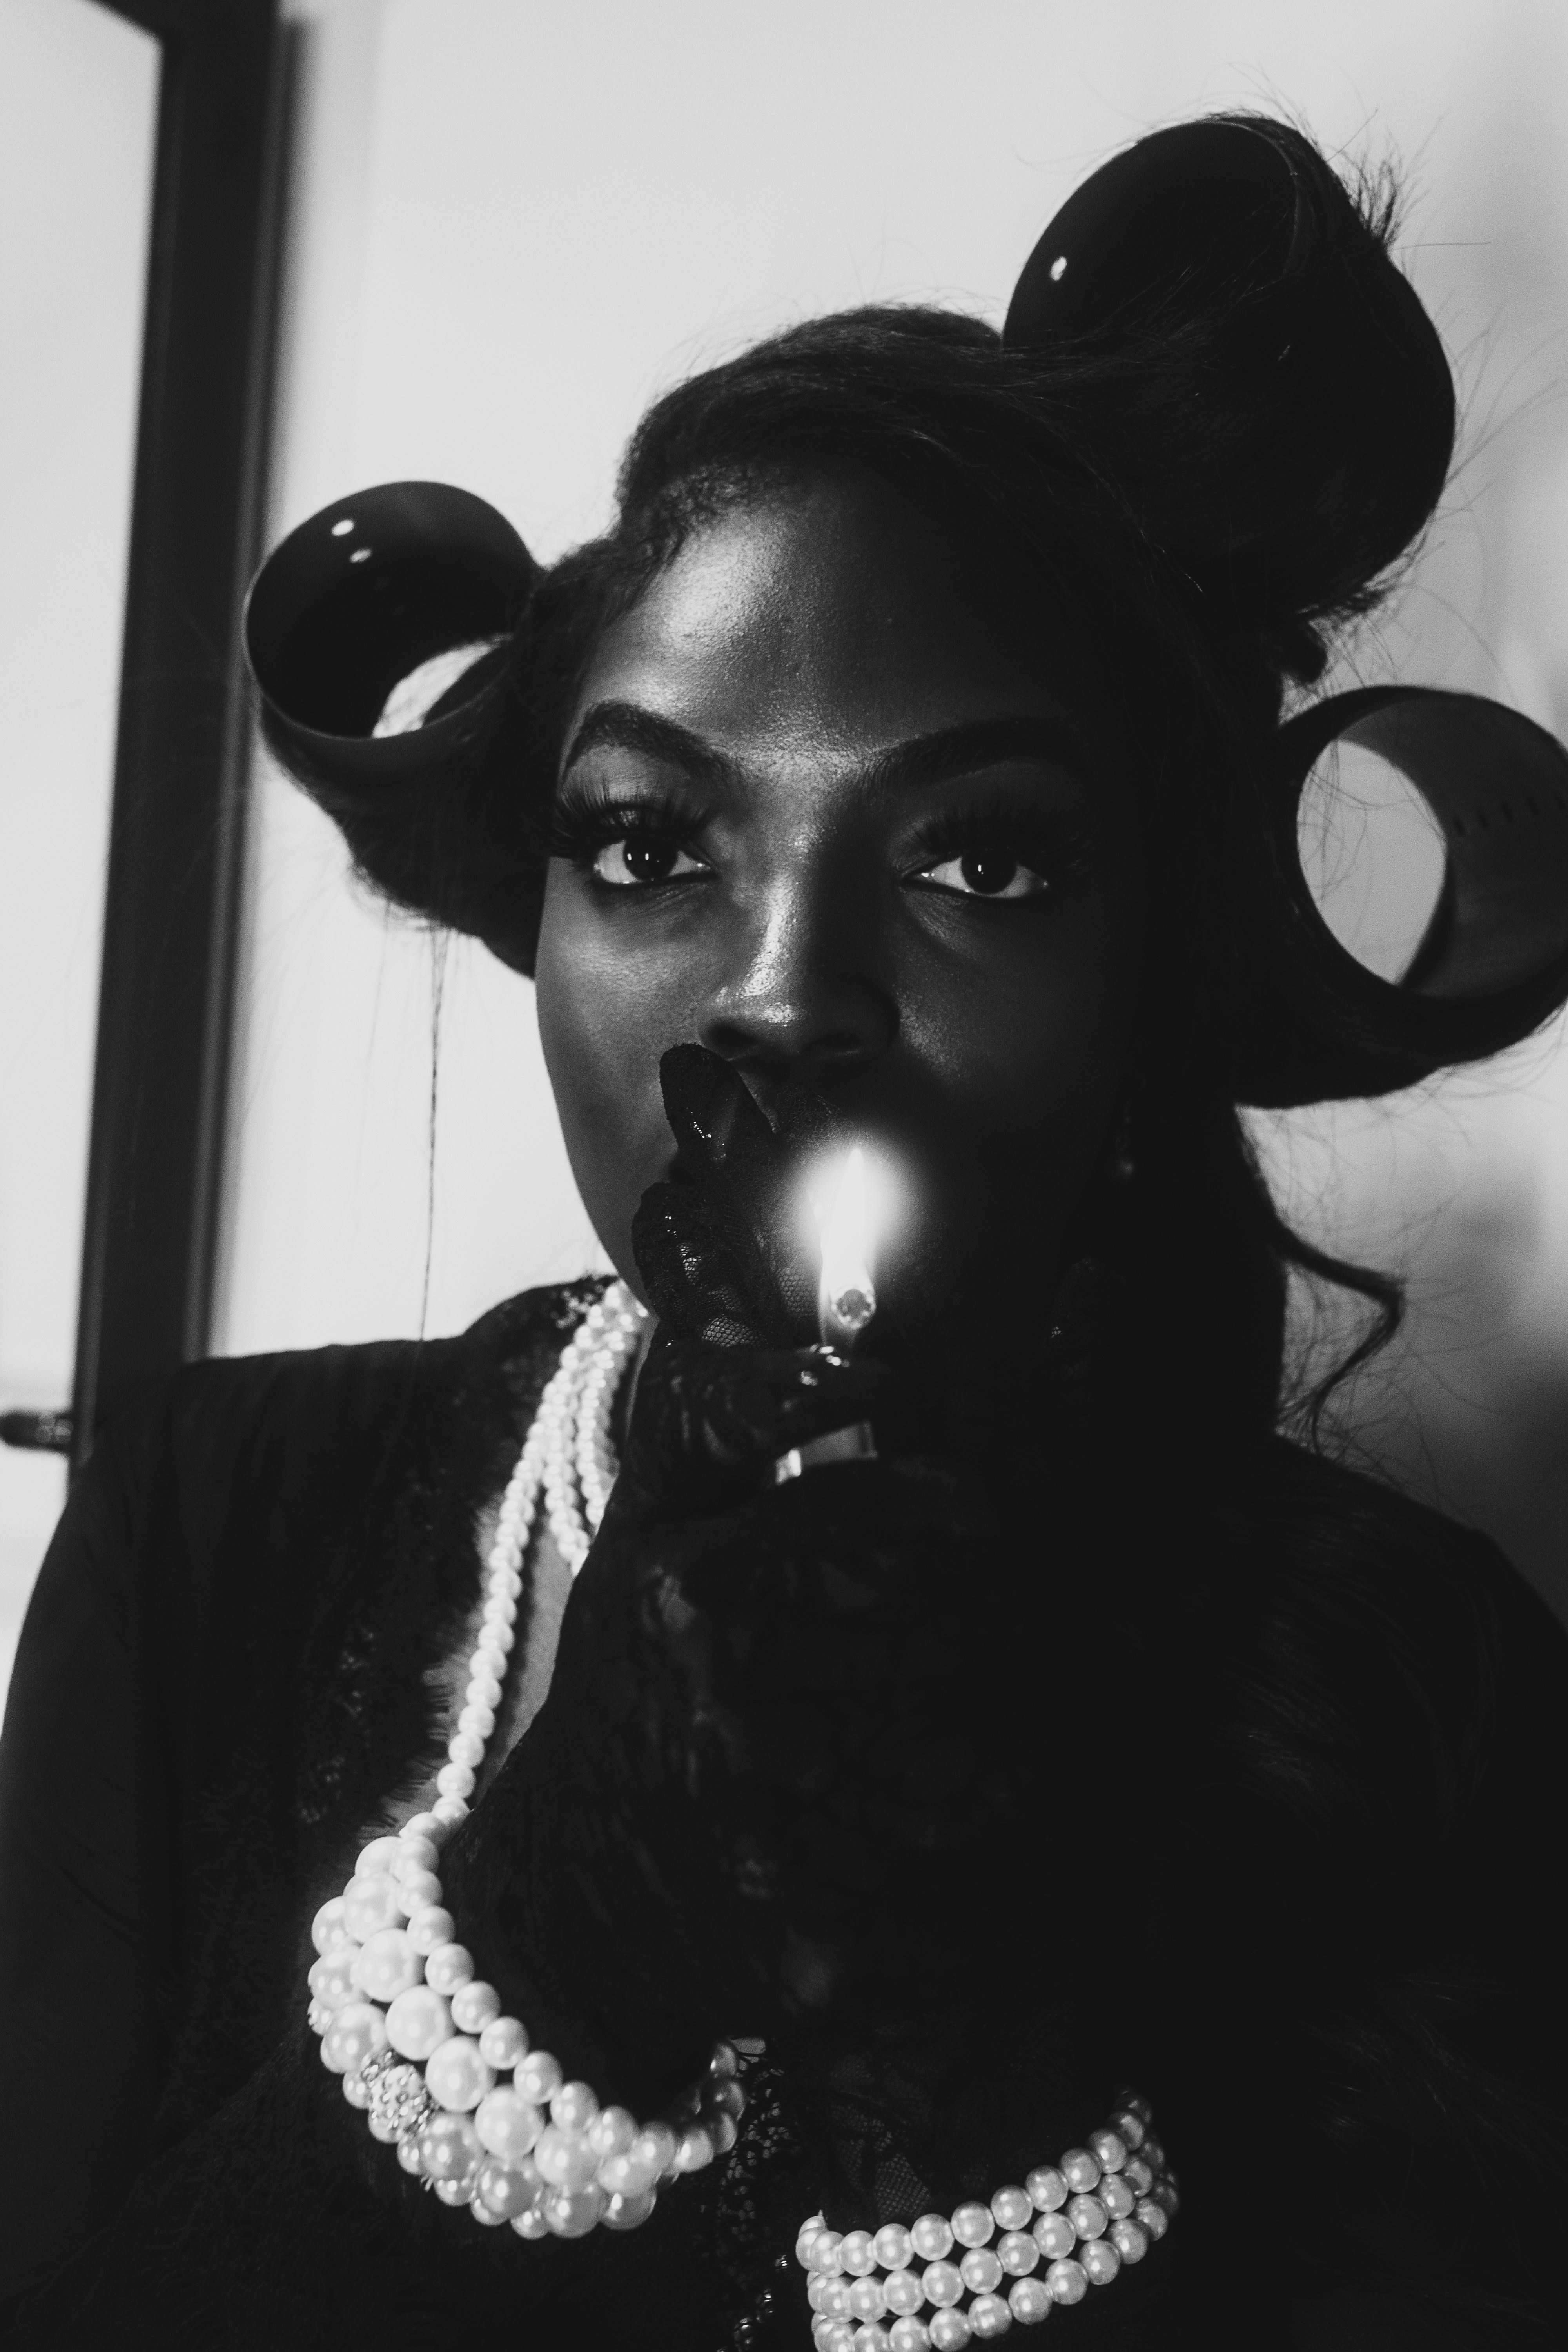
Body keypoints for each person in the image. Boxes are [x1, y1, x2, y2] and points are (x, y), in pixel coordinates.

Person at [3, 113, 1567, 2351]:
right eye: (652, 843)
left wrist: (969, 2066)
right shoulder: (203, 1535)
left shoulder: (1438, 1695)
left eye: (982, 864)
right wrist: (562, 1929)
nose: (779, 1001)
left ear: (1153, 967)